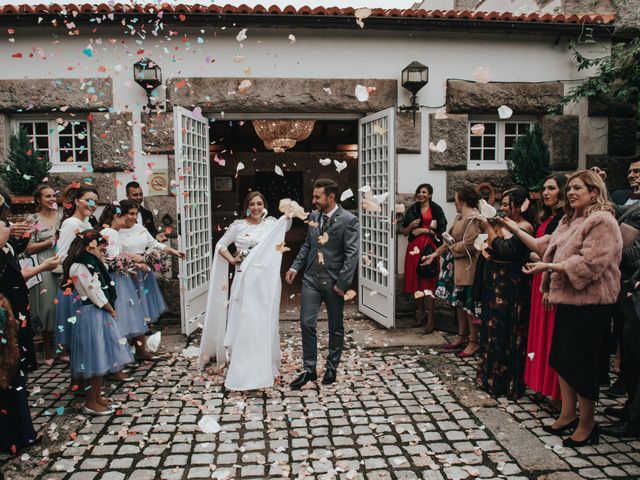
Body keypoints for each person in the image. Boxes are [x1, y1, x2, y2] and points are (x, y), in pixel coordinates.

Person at [505, 170, 622, 446]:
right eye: (569, 189)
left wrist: (548, 267)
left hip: (592, 304)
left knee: (583, 364)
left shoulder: (602, 221)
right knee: (562, 359)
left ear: (594, 192)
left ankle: (587, 423)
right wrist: (512, 227)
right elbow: (542, 245)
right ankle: (568, 414)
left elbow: (590, 263)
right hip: (569, 300)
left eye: (577, 188)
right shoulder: (571, 220)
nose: (570, 193)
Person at [199, 192, 292, 391]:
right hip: (245, 278)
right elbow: (221, 245)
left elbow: (288, 224)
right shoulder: (238, 226)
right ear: (247, 207)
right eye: (252, 204)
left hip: (267, 281)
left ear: (264, 205)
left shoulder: (271, 224)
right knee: (246, 319)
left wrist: (289, 211)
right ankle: (243, 366)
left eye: (260, 203)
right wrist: (232, 260)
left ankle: (264, 365)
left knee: (264, 320)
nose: (256, 207)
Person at [286, 179, 359, 389]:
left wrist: (343, 284)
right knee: (307, 323)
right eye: (314, 196)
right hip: (310, 279)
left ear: (331, 197)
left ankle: (331, 367)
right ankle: (309, 370)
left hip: (334, 282)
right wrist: (294, 267)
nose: (314, 200)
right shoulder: (314, 217)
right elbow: (307, 244)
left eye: (318, 197)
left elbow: (352, 254)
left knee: (335, 327)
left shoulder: (349, 220)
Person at [0, 220, 59, 453]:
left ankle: (23, 431)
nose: (7, 226)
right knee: (8, 378)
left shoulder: (8, 248)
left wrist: (23, 231)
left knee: (18, 377)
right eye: (3, 223)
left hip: (17, 322)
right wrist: (42, 267)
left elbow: (17, 244)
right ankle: (13, 436)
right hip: (7, 324)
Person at [62, 229, 133, 415]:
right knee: (96, 357)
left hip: (97, 313)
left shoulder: (91, 262)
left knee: (102, 356)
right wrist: (110, 308)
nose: (103, 252)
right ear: (91, 246)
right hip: (92, 313)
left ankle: (97, 397)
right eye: (101, 248)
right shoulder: (80, 266)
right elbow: (94, 291)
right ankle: (90, 401)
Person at [473, 187, 534, 399]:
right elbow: (496, 247)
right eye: (503, 204)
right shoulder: (506, 224)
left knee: (505, 329)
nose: (504, 208)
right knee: (491, 328)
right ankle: (490, 377)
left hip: (511, 285)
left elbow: (507, 249)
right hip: (495, 280)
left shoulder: (525, 227)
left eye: (508, 204)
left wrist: (489, 228)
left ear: (521, 205)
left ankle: (505, 381)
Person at [423, 186, 482, 357]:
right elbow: (448, 240)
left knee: (468, 306)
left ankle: (473, 342)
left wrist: (453, 249)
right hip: (455, 268)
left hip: (468, 268)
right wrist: (434, 255)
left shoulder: (473, 218)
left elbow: (470, 244)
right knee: (458, 304)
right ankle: (461, 336)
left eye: (455, 199)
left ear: (462, 200)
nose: (454, 202)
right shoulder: (459, 216)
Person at [523, 174, 566, 408]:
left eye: (552, 188)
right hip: (538, 275)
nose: (546, 192)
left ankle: (555, 392)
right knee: (538, 334)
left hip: (550, 278)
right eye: (544, 188)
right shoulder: (547, 216)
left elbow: (554, 253)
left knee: (550, 337)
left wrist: (548, 284)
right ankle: (540, 385)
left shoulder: (562, 219)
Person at [99, 205, 154, 363]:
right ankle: (118, 359)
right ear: (116, 217)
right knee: (122, 317)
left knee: (127, 315)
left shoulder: (109, 232)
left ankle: (131, 352)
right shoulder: (111, 233)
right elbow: (114, 260)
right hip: (117, 279)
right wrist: (136, 266)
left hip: (119, 276)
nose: (127, 221)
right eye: (124, 217)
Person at [119, 200, 185, 326]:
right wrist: (134, 260)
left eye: (136, 214)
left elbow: (154, 244)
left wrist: (173, 251)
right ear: (121, 214)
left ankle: (143, 328)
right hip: (127, 271)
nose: (134, 217)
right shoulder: (116, 231)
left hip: (143, 271)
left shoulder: (140, 228)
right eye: (131, 214)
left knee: (144, 301)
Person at [54, 186, 99, 354]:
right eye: (88, 200)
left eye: (95, 201)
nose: (92, 204)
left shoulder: (87, 223)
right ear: (76, 201)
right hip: (76, 281)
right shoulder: (71, 223)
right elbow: (63, 254)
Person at [401, 183, 447, 334]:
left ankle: (431, 319)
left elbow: (441, 232)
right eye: (419, 192)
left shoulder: (436, 209)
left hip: (429, 249)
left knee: (429, 282)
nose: (421, 194)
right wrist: (411, 227)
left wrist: (422, 230)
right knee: (417, 282)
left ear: (430, 194)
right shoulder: (413, 209)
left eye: (424, 192)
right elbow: (405, 232)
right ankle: (420, 314)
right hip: (414, 250)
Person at [26, 185, 62, 362]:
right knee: (47, 305)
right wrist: (50, 242)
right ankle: (48, 348)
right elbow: (28, 248)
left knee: (64, 302)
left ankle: (62, 347)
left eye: (53, 196)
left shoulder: (62, 217)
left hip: (62, 261)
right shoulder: (33, 219)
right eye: (47, 196)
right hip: (43, 264)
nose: (52, 199)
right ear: (39, 200)